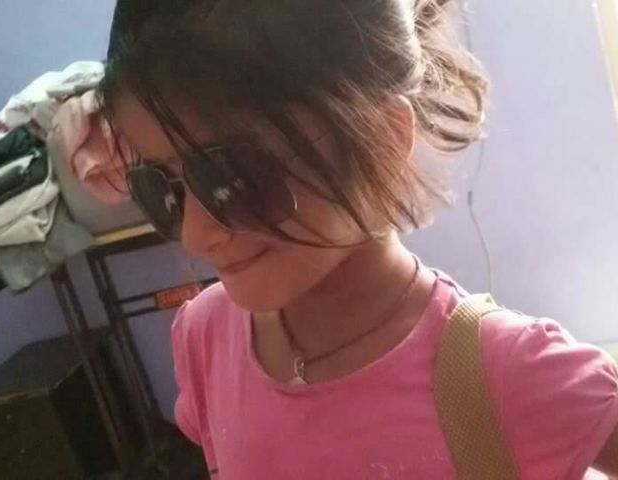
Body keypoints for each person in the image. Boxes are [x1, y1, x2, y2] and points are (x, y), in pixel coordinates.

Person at [98, 0, 618, 477]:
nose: (194, 234)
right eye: (159, 187)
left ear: (385, 139)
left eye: (229, 176)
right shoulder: (205, 336)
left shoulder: (508, 375)